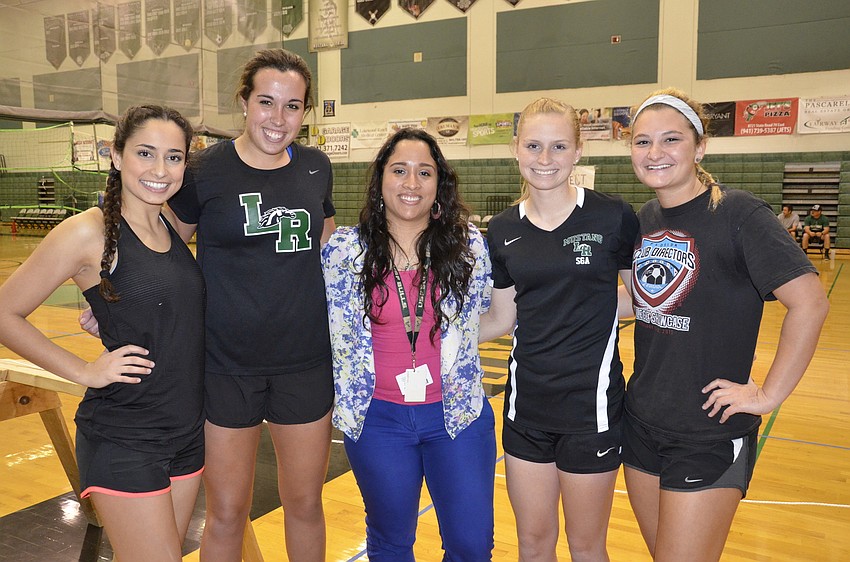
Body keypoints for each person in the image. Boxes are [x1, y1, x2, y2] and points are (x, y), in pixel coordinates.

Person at [82, 49, 336, 560]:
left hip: (304, 364)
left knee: (306, 503)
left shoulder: (315, 167)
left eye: (292, 106)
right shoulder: (204, 170)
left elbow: (325, 240)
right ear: (243, 102)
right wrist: (116, 301)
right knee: (227, 512)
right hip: (224, 367)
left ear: (305, 112)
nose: (278, 118)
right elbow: (159, 248)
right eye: (266, 102)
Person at [623, 88, 829, 562]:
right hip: (641, 423)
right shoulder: (646, 217)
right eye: (642, 141)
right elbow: (647, 297)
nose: (655, 152)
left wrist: (768, 395)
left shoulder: (739, 214)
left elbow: (810, 303)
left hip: (708, 432)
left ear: (700, 147)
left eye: (671, 139)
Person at [0, 105, 204, 562]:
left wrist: (112, 316)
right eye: (145, 153)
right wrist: (83, 371)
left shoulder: (169, 225)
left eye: (173, 157)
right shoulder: (85, 232)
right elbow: (4, 313)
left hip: (186, 432)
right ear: (115, 155)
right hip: (126, 436)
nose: (160, 169)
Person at [322, 128, 496, 560]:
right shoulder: (344, 251)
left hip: (457, 414)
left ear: (440, 184)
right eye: (399, 170)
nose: (411, 183)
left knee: (472, 545)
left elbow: (481, 315)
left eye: (425, 172)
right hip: (377, 420)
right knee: (390, 542)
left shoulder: (468, 246)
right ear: (381, 179)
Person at [480, 97, 639, 561]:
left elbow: (642, 299)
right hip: (525, 410)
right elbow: (502, 317)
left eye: (558, 146)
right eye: (533, 145)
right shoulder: (502, 229)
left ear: (578, 150)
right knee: (532, 543)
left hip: (592, 413)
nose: (544, 158)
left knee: (586, 546)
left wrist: (593, 306)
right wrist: (427, 336)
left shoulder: (614, 216)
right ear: (515, 148)